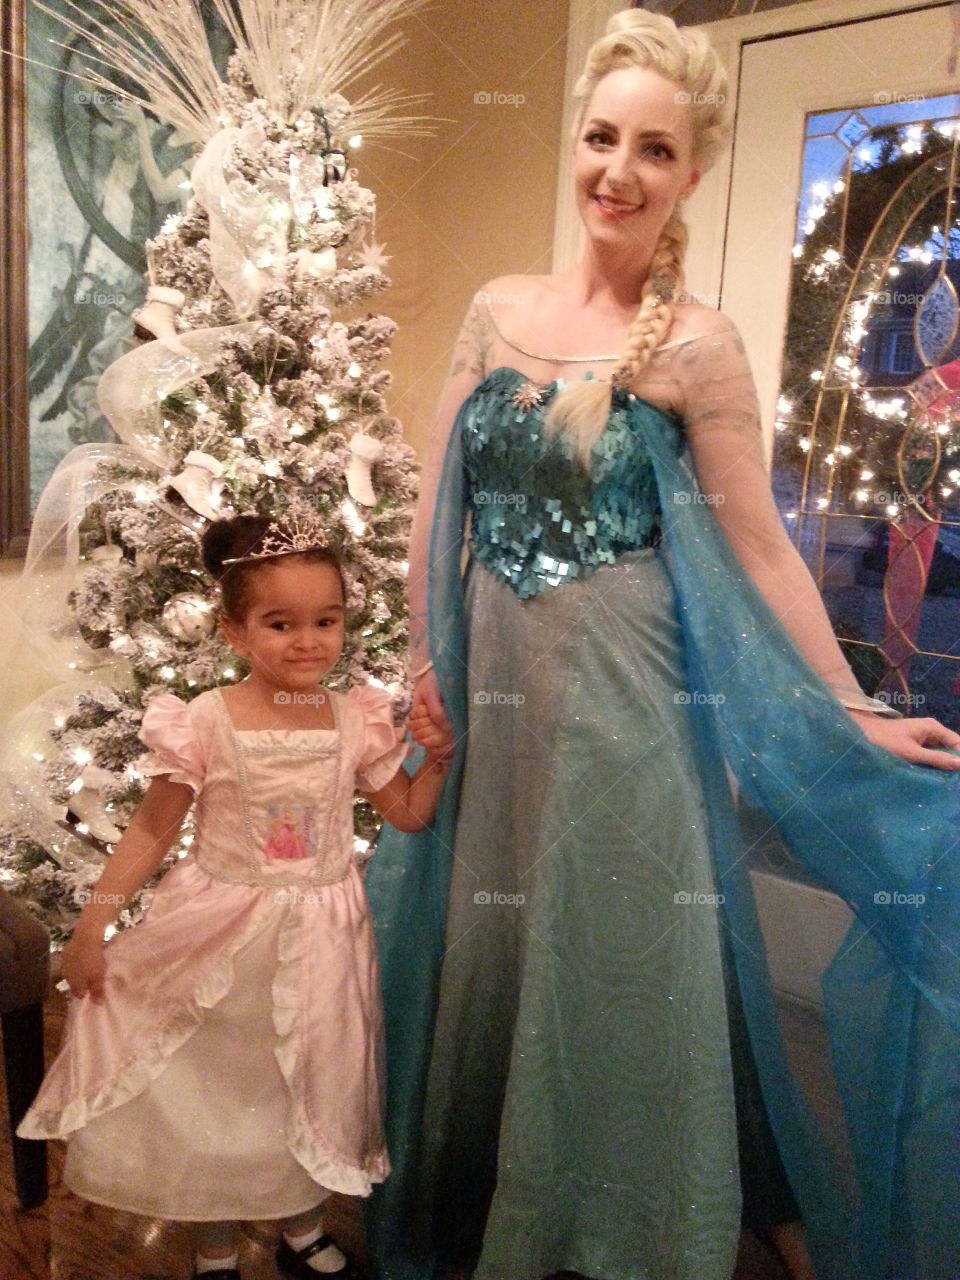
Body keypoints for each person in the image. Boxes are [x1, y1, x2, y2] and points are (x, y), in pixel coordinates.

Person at [362, 11, 960, 1280]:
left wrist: (851, 707)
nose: (616, 171)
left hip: (626, 696)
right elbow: (433, 503)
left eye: (653, 149)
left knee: (625, 944)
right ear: (575, 145)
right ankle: (501, 1191)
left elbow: (759, 546)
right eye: (599, 138)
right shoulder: (494, 308)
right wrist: (422, 660)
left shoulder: (701, 343)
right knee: (498, 937)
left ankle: (629, 1214)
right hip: (489, 686)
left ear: (690, 174)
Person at [19, 510, 453, 1280]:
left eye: (326, 620)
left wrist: (439, 758)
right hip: (219, 933)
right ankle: (215, 1242)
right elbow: (151, 833)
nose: (308, 640)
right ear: (233, 632)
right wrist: (92, 928)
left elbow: (410, 815)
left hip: (325, 934)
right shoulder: (205, 723)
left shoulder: (354, 720)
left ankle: (303, 1225)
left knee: (312, 1077)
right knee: (216, 1088)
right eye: (280, 623)